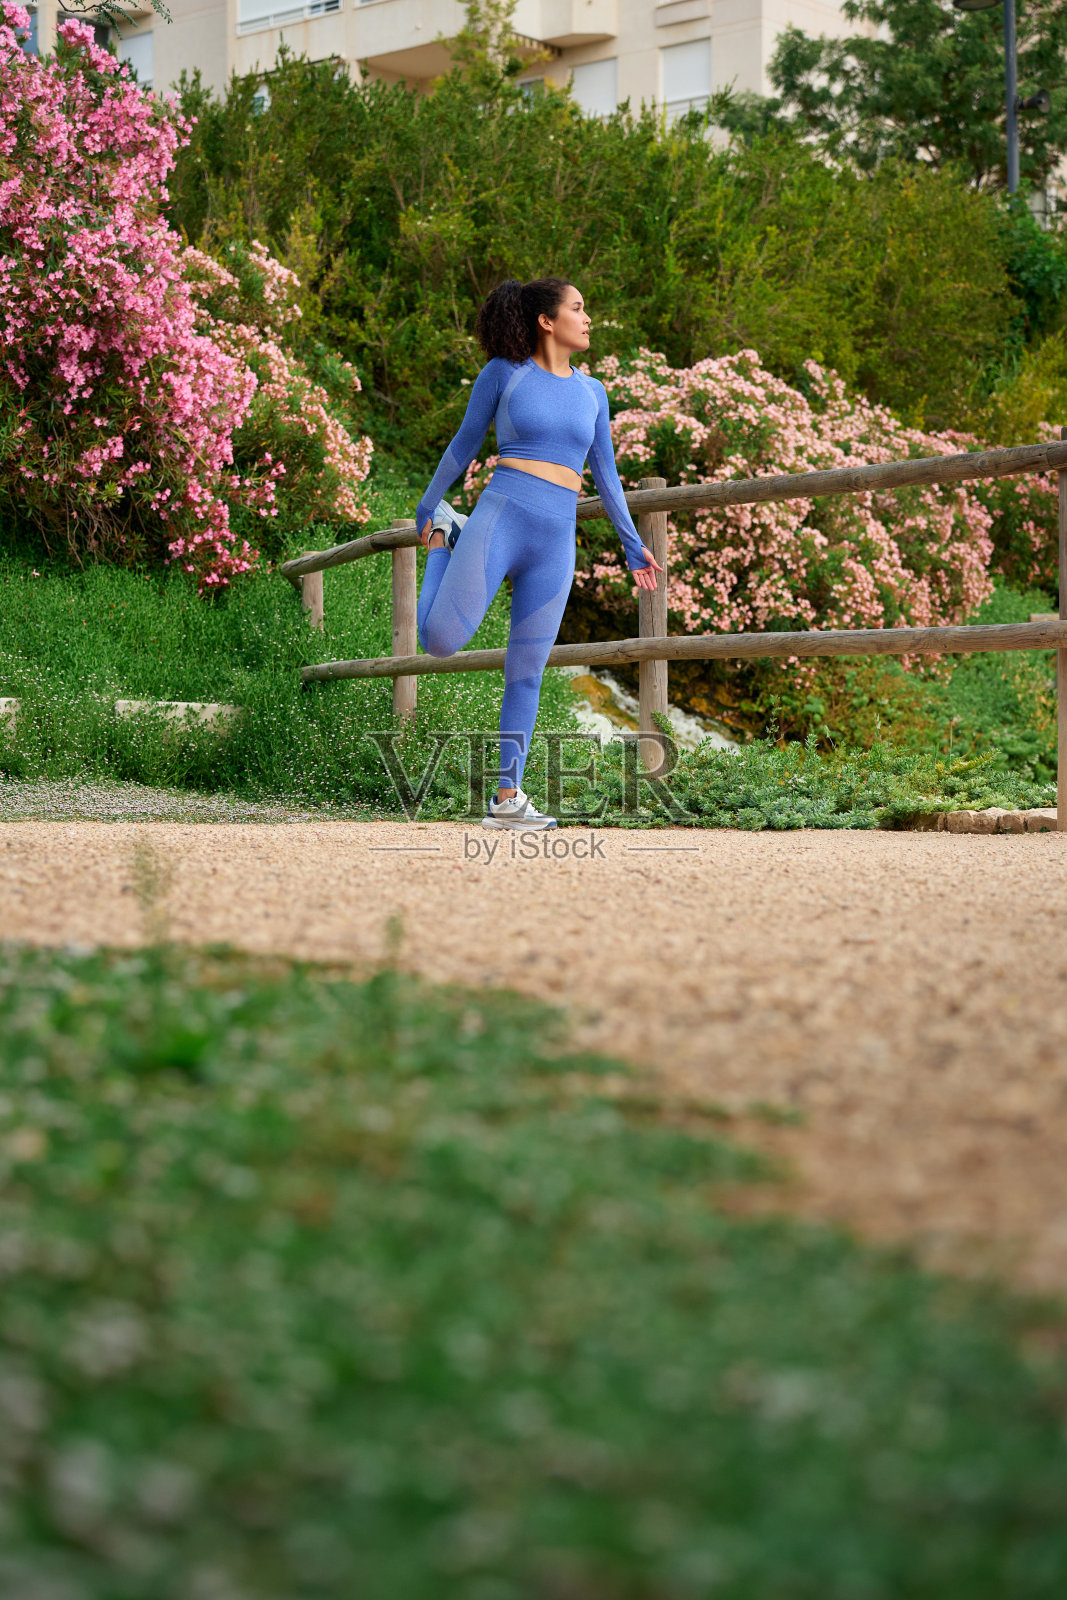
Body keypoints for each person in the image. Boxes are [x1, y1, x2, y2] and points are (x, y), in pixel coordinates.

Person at [415, 276, 664, 832]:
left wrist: (632, 544)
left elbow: (606, 476)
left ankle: (507, 799)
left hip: (556, 537)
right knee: (439, 643)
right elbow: (463, 443)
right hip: (503, 514)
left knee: (527, 669)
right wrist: (431, 505)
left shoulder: (593, 392)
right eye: (578, 308)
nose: (588, 317)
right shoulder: (505, 373)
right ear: (547, 321)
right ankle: (444, 540)